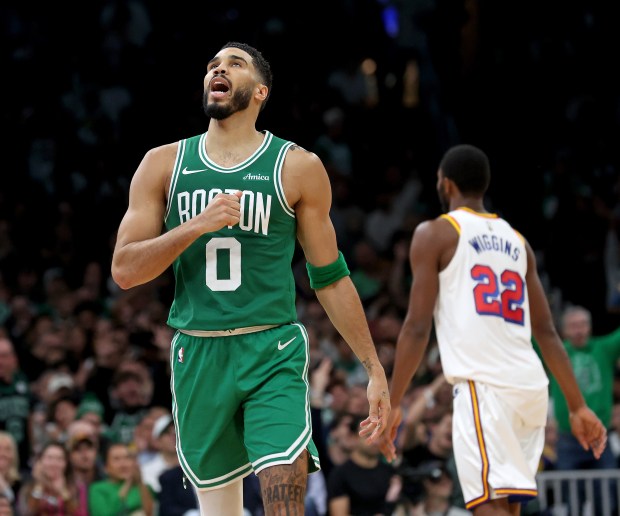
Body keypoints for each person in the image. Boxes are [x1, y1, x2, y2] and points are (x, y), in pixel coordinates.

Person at [110, 41, 390, 515]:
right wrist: (198, 223)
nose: (218, 70)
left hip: (271, 351)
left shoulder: (298, 166)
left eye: (233, 64)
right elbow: (124, 269)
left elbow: (330, 277)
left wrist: (372, 367)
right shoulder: (162, 163)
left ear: (260, 91)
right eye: (212, 65)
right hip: (198, 352)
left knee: (285, 501)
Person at [373, 144, 607, 516]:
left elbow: (417, 327)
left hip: (485, 386)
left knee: (488, 508)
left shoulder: (436, 233)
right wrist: (577, 405)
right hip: (530, 388)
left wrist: (397, 400)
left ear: (446, 185)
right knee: (505, 506)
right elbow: (546, 332)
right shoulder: (519, 242)